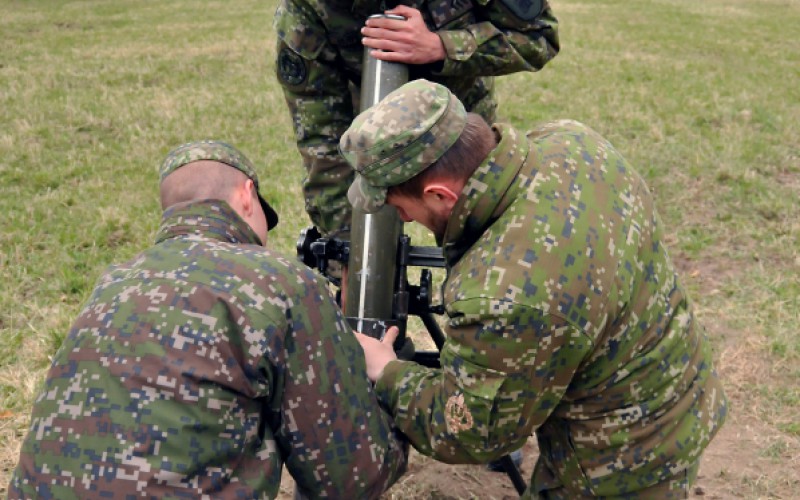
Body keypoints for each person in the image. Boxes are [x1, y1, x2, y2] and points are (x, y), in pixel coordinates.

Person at [339, 80, 729, 498]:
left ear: (439, 195)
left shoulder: (505, 294)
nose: (404, 219)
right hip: (679, 385)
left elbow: (473, 431)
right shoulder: (572, 141)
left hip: (621, 459)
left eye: (400, 208)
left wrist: (387, 371)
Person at [8, 141, 408, 499]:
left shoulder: (113, 281)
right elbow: (351, 479)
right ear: (247, 196)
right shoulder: (282, 282)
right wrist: (385, 382)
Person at [273, 0, 560, 240]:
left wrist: (442, 46)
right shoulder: (308, 7)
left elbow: (539, 37)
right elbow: (321, 140)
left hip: (459, 135)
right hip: (368, 136)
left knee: (482, 242)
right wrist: (346, 251)